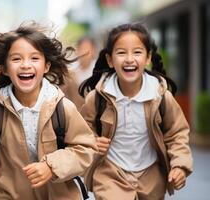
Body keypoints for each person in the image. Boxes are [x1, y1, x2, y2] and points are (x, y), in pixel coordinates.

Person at [0, 22, 98, 200]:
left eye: (34, 58)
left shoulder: (62, 108)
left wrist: (51, 166)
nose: (25, 65)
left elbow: (85, 148)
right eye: (16, 59)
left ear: (46, 66)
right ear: (4, 68)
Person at [79, 23, 193, 200]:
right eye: (121, 52)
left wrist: (180, 165)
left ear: (148, 58)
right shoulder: (98, 98)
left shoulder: (161, 97)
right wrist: (92, 141)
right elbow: (80, 131)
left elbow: (177, 134)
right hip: (111, 173)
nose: (129, 59)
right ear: (110, 60)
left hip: (151, 176)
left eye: (137, 52)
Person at [61, 36, 97, 110]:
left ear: (93, 51)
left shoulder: (99, 71)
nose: (85, 52)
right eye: (82, 49)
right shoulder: (71, 71)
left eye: (88, 49)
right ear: (77, 50)